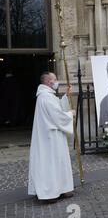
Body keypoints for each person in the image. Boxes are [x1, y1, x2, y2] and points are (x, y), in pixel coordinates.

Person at [28, 72, 75, 204]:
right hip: (51, 137)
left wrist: (66, 96)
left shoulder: (47, 96)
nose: (56, 81)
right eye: (55, 79)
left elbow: (58, 106)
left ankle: (61, 188)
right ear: (49, 81)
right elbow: (57, 116)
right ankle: (50, 192)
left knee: (57, 162)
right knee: (52, 163)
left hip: (52, 136)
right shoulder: (45, 97)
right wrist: (70, 114)